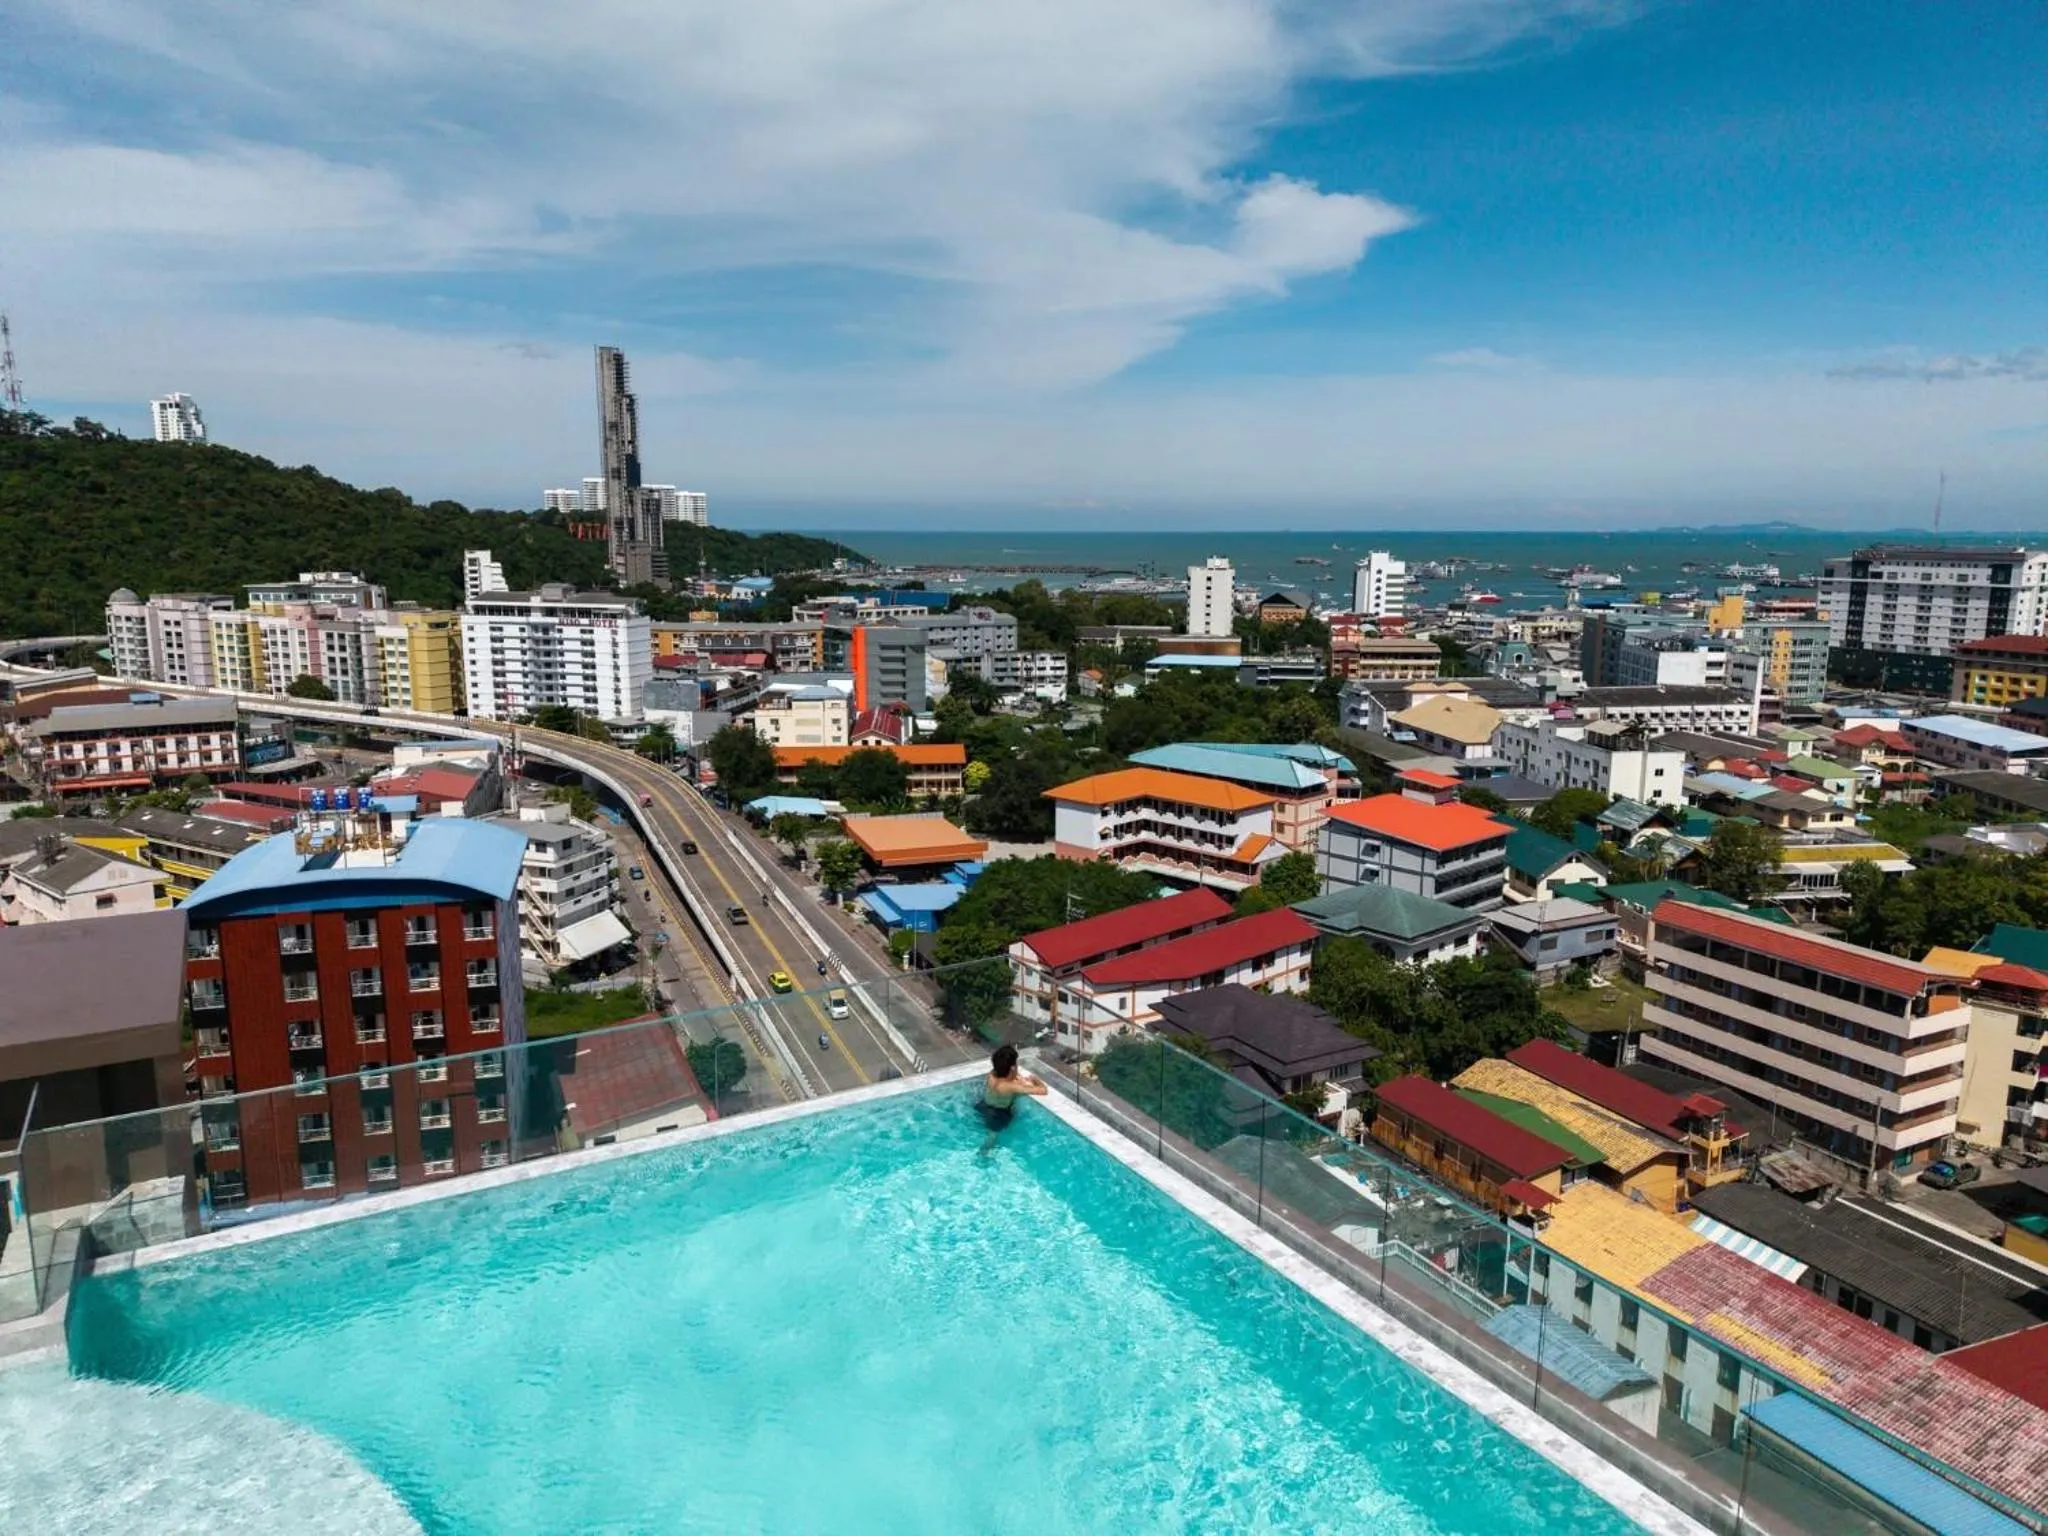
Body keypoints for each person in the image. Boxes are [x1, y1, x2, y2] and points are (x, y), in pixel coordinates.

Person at [978, 1044, 1046, 1153]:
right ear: (1012, 1067)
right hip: (998, 1115)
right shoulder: (1010, 1086)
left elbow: (1010, 1076)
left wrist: (1017, 1076)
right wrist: (1035, 1079)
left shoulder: (993, 1074)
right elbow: (1043, 1090)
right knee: (992, 1137)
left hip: (984, 1105)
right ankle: (983, 1154)